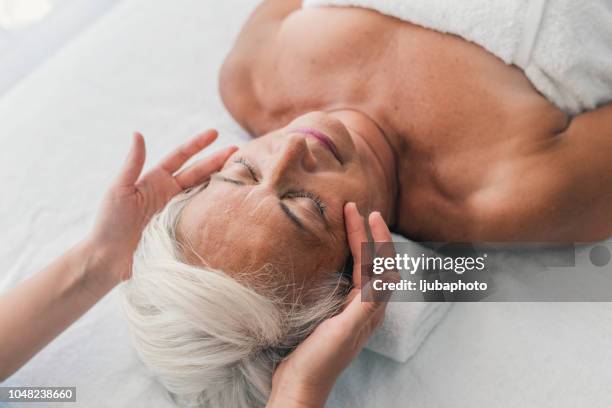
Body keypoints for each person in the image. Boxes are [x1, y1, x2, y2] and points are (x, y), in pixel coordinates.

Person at [0, 131, 393, 408]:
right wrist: (298, 389)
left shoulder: (247, 83)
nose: (292, 144)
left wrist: (100, 261)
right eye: (309, 208)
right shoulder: (452, 211)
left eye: (241, 171)